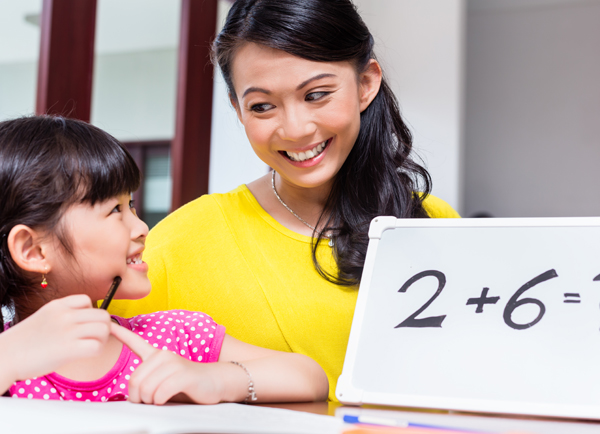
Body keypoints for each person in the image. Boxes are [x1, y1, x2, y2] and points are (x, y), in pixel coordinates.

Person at [109, 0, 461, 400]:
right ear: (237, 109)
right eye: (262, 106)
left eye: (316, 95)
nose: (295, 129)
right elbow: (101, 381)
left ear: (366, 84)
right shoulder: (182, 242)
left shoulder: (432, 222)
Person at [0, 115, 328, 404]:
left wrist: (213, 379)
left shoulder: (172, 337)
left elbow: (310, 377)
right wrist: (10, 356)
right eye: (115, 210)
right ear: (34, 250)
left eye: (131, 205)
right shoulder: (7, 357)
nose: (142, 228)